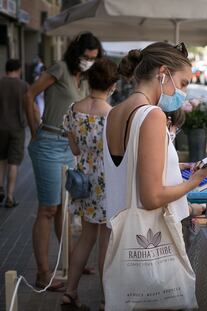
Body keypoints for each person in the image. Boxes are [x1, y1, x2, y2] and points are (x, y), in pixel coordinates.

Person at [103, 43, 207, 305]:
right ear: (163, 72)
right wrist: (193, 183)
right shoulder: (152, 115)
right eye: (183, 83)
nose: (184, 93)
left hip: (122, 238)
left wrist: (176, 168)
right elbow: (151, 197)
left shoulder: (115, 112)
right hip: (149, 242)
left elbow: (130, 167)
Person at [24, 32, 103, 291]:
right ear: (76, 53)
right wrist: (35, 128)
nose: (89, 62)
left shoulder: (86, 79)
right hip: (48, 143)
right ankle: (43, 273)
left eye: (93, 58)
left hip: (69, 146)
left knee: (63, 208)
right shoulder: (60, 69)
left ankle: (71, 262)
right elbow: (29, 94)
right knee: (48, 209)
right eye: (85, 57)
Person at [60, 58, 117, 311]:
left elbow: (73, 147)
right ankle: (106, 300)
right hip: (106, 183)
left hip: (83, 181)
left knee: (86, 237)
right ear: (113, 85)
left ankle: (69, 292)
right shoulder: (113, 115)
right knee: (106, 241)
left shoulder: (74, 109)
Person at [0, 59, 29, 207]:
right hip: (17, 128)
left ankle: (0, 188)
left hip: (0, 127)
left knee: (1, 159)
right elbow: (30, 107)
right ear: (19, 69)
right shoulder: (23, 86)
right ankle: (10, 196)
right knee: (13, 162)